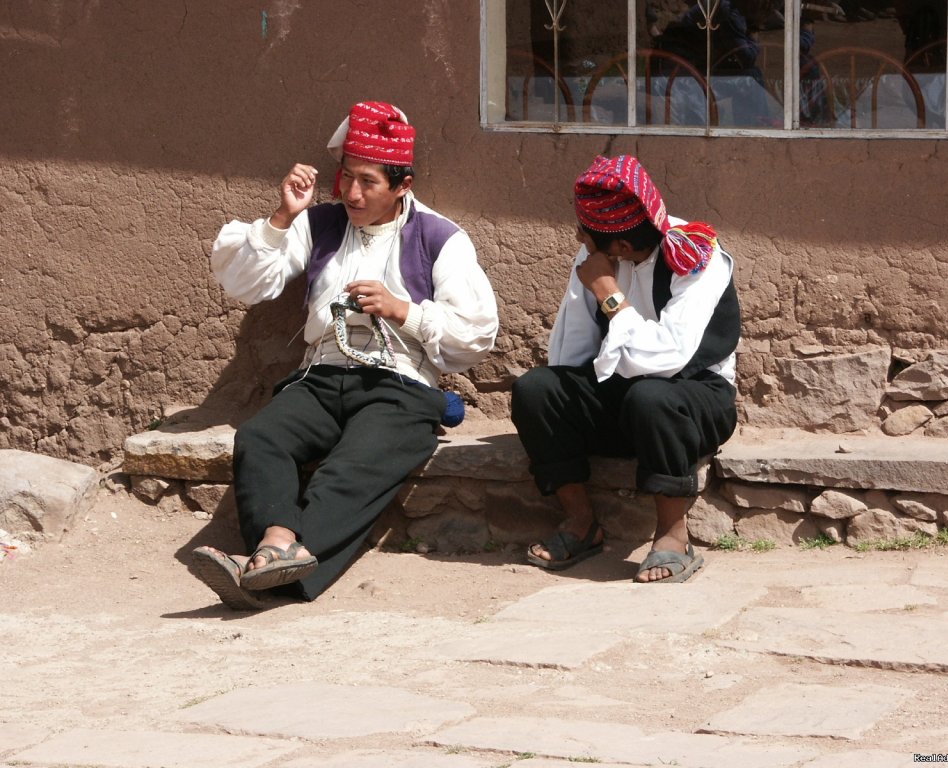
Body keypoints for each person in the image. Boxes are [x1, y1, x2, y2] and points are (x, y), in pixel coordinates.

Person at [191, 101, 499, 610]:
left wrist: (405, 311)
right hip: (321, 374)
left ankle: (278, 571)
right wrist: (281, 218)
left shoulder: (441, 238)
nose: (352, 193)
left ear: (402, 185)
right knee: (262, 436)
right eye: (347, 178)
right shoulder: (319, 225)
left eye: (369, 182)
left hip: (400, 383)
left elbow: (477, 334)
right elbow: (245, 283)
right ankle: (274, 545)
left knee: (357, 462)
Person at [510, 154, 740, 584]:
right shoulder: (594, 252)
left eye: (585, 232)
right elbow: (572, 345)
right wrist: (566, 410)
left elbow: (667, 358)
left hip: (692, 398)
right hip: (625, 395)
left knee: (651, 395)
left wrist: (608, 291)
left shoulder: (697, 256)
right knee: (536, 388)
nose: (579, 236)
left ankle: (673, 537)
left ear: (619, 247)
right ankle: (582, 525)